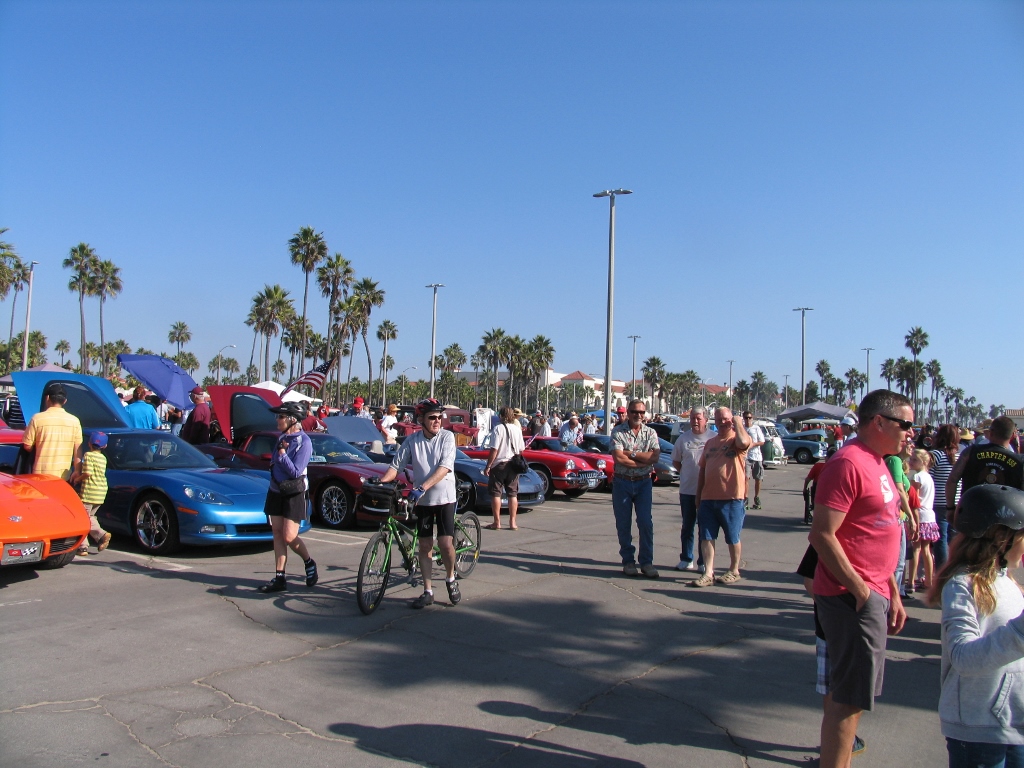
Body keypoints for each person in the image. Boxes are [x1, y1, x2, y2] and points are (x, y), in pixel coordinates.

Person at [808, 389, 910, 768]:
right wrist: (863, 592)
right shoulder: (848, 462)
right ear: (879, 422)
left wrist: (893, 592)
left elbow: (880, 531)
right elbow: (822, 535)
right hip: (849, 598)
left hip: (875, 592)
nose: (910, 432)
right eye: (906, 424)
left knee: (851, 698)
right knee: (846, 700)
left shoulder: (880, 462)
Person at [929, 484, 1024, 768]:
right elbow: (962, 657)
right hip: (978, 730)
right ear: (1000, 537)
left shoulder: (1009, 583)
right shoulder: (961, 586)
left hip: (1013, 724)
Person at [377, 398, 460, 608]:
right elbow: (395, 467)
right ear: (420, 419)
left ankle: (450, 578)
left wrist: (422, 487)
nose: (437, 421)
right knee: (424, 547)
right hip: (422, 501)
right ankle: (428, 590)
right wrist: (379, 483)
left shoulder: (447, 437)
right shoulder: (412, 441)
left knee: (446, 544)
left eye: (439, 417)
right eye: (432, 417)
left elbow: (444, 467)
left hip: (444, 498)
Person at [258, 402, 317, 593]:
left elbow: (295, 471)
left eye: (281, 417)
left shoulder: (304, 442)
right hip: (275, 490)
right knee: (277, 533)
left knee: (289, 535)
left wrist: (283, 454)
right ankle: (280, 577)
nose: (277, 420)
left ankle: (309, 563)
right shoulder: (282, 437)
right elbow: (274, 461)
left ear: (292, 419)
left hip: (293, 492)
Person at [691, 407, 751, 588]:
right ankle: (708, 572)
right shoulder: (710, 443)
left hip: (732, 498)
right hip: (709, 498)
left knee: (732, 536)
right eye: (719, 419)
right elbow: (702, 469)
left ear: (731, 419)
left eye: (725, 419)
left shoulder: (737, 440)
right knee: (706, 536)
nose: (722, 422)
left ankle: (734, 570)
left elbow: (744, 441)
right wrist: (699, 495)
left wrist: (739, 422)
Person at [610, 399, 661, 578]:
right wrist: (641, 460)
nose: (638, 415)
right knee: (623, 523)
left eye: (641, 412)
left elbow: (654, 457)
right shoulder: (618, 432)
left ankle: (647, 562)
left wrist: (630, 453)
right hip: (622, 482)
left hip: (644, 483)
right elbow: (619, 459)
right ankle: (628, 561)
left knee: (646, 522)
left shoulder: (651, 433)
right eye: (634, 412)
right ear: (628, 413)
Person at [670, 406, 713, 571]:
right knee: (687, 526)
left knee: (705, 528)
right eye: (693, 418)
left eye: (698, 418)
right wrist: (686, 473)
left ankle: (703, 562)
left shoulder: (713, 438)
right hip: (687, 491)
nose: (695, 421)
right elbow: (676, 460)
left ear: (706, 420)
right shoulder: (683, 439)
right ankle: (687, 559)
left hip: (707, 491)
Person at [946, 415, 1023, 504]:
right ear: (1013, 435)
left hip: (971, 510)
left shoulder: (970, 452)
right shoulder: (1020, 461)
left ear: (990, 433)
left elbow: (952, 480)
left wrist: (950, 508)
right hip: (1006, 513)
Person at [22, 382, 83, 480]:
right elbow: (78, 450)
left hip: (39, 475)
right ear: (64, 401)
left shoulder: (37, 419)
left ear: (47, 398)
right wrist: (77, 470)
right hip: (63, 476)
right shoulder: (74, 421)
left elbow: (27, 445)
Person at [483, 406, 525, 530]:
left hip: (499, 465)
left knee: (496, 493)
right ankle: (513, 522)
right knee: (512, 493)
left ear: (501, 416)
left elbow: (494, 449)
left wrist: (488, 466)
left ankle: (497, 522)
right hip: (513, 464)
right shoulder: (517, 430)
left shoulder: (498, 429)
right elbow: (522, 449)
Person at [71, 431, 112, 556]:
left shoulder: (88, 456)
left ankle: (85, 545)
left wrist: (78, 479)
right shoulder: (103, 458)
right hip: (101, 492)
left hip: (89, 491)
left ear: (89, 443)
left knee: (82, 518)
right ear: (105, 446)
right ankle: (99, 537)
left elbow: (88, 473)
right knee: (90, 516)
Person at [932, 424, 964, 569]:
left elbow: (929, 478)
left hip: (939, 502)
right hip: (956, 501)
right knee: (954, 539)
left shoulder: (936, 455)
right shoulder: (960, 456)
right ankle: (953, 568)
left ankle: (941, 572)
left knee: (940, 539)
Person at [906, 450, 937, 595]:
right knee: (926, 550)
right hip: (930, 515)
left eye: (914, 460)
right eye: (911, 459)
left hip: (920, 515)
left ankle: (911, 581)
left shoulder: (917, 477)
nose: (911, 462)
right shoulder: (929, 477)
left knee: (915, 550)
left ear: (923, 462)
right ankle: (929, 580)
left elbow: (914, 500)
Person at [743, 411, 765, 510]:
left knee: (758, 478)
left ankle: (757, 497)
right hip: (746, 457)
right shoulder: (742, 429)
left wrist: (752, 444)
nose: (748, 419)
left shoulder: (756, 428)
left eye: (749, 418)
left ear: (752, 418)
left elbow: (762, 441)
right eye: (746, 418)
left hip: (757, 457)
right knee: (745, 478)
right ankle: (745, 498)